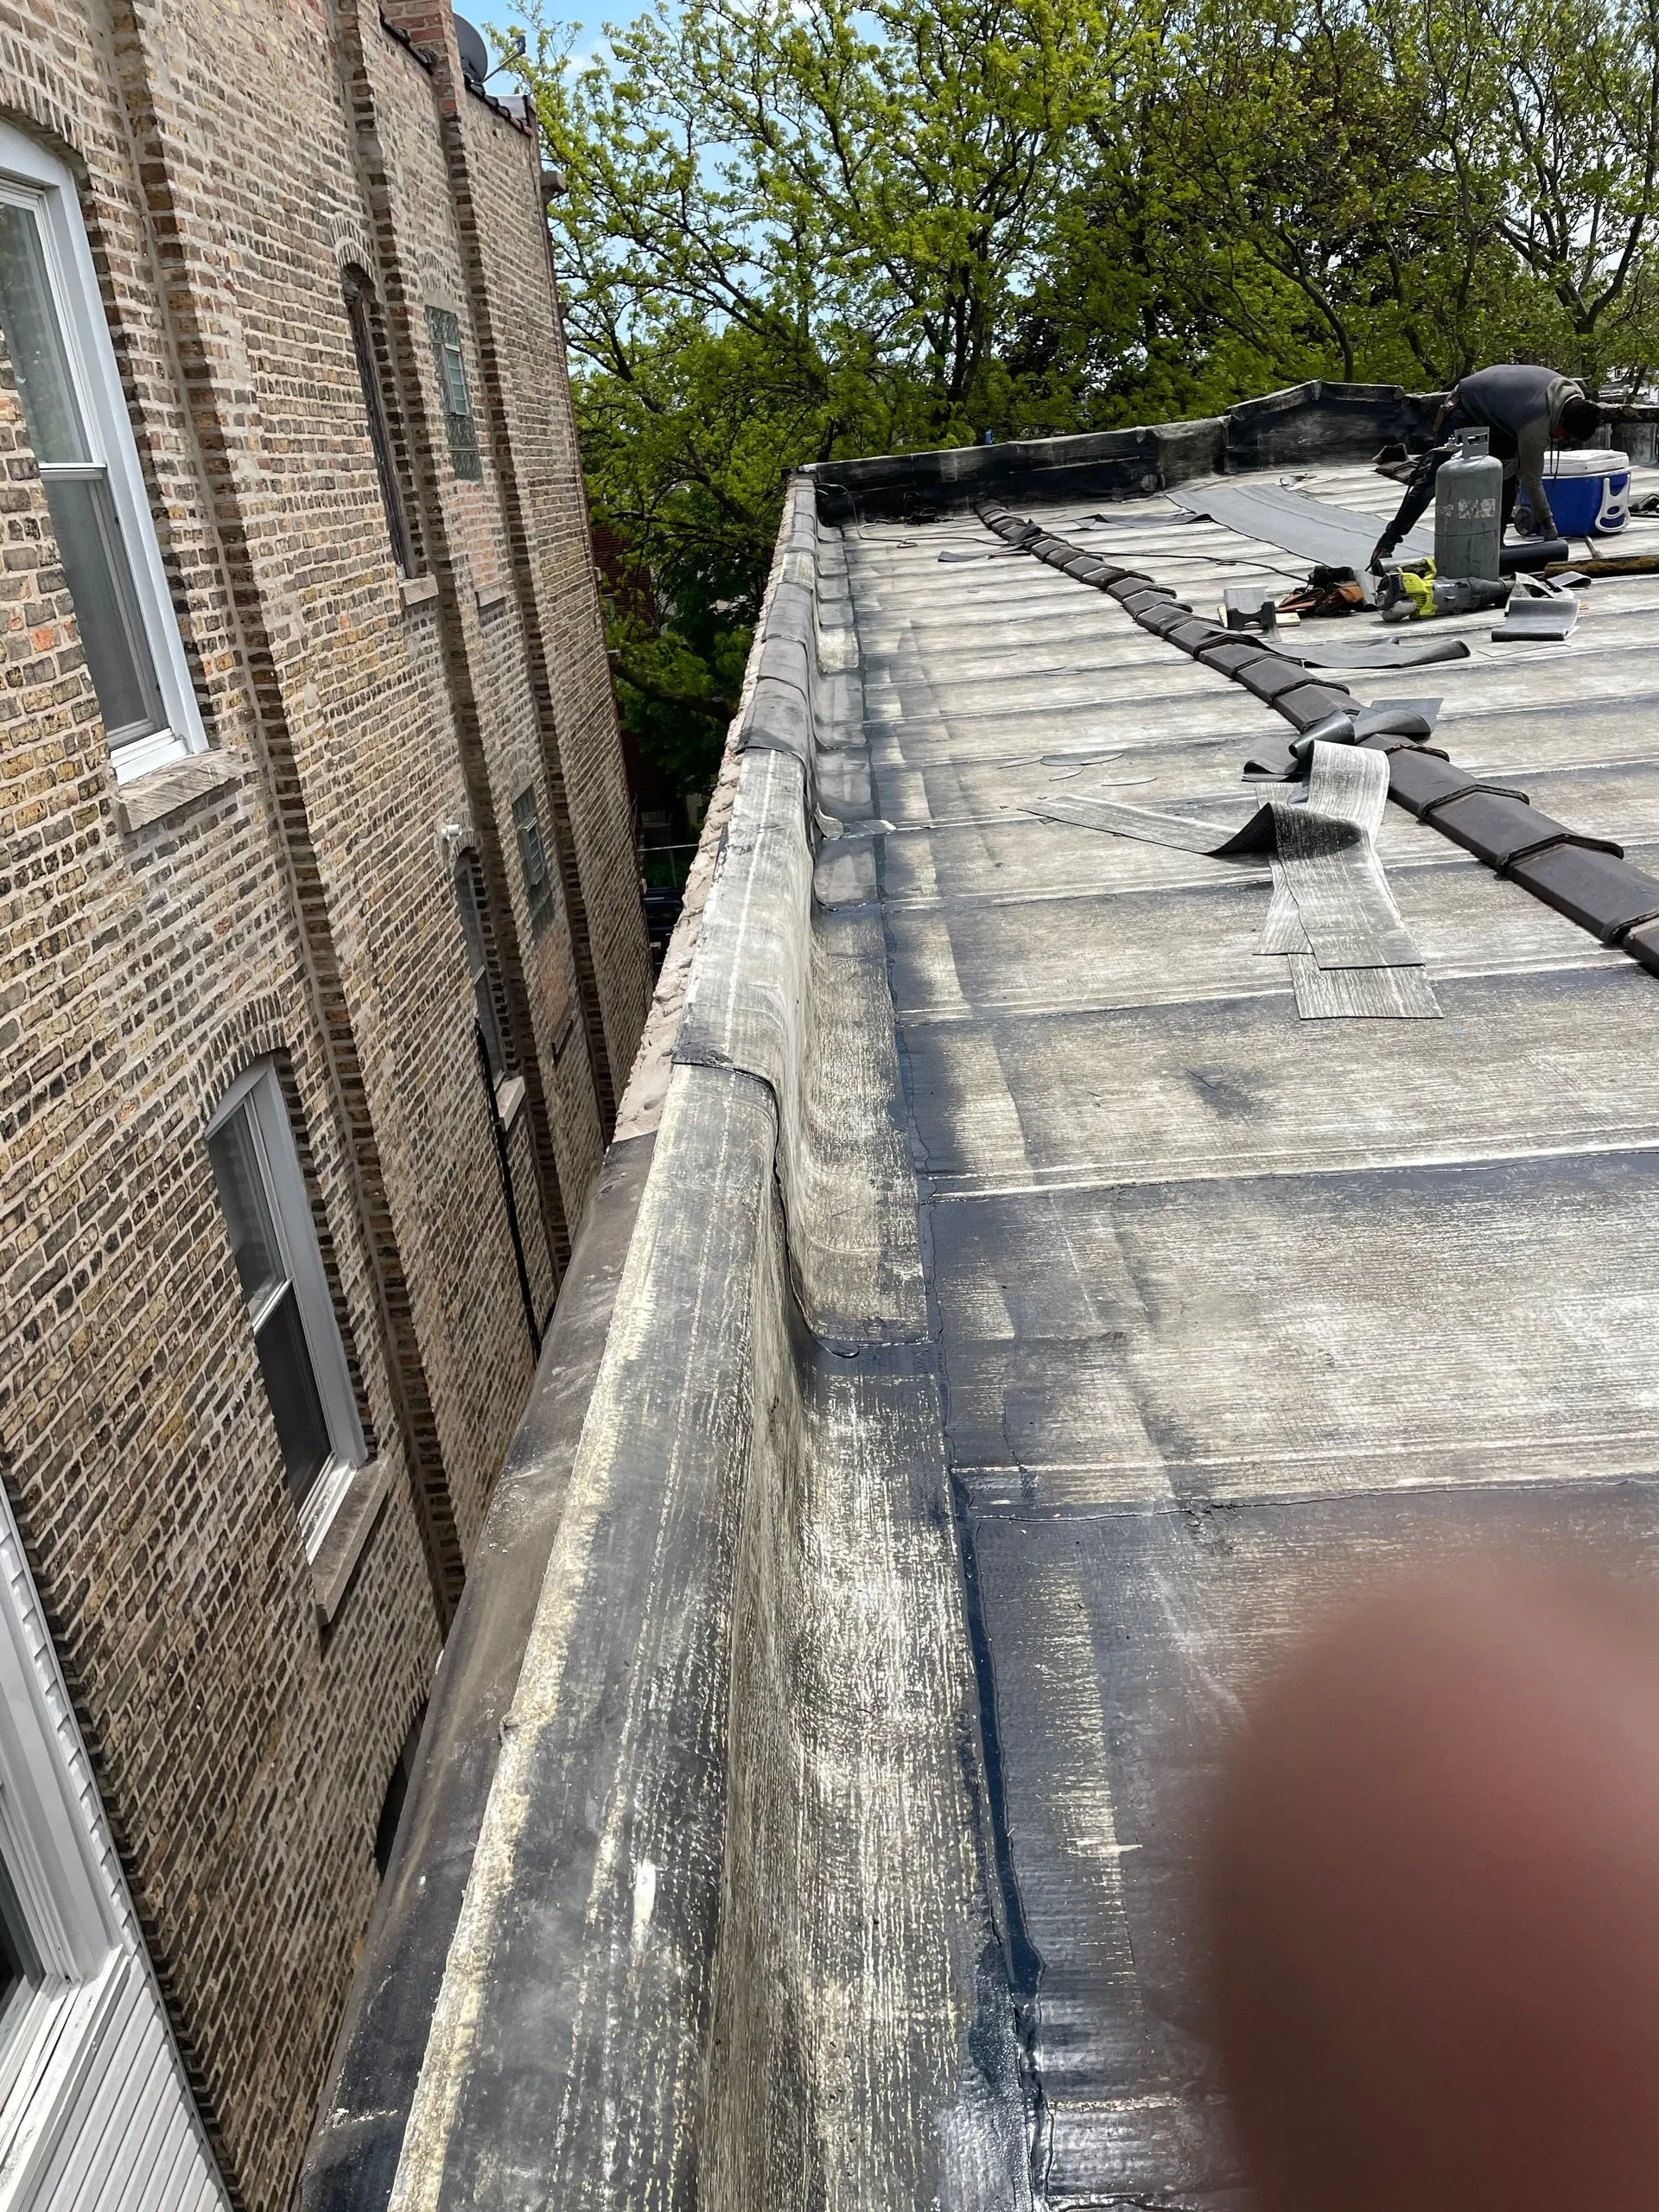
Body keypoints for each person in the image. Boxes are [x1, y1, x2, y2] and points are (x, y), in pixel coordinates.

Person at [1369, 365, 1603, 569]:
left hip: (1505, 414)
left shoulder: (1576, 399)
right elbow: (1532, 480)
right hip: (1467, 405)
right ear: (1561, 420)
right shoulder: (1537, 425)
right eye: (1563, 435)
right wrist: (1550, 531)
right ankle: (1389, 541)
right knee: (1435, 480)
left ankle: (1495, 546)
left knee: (1508, 476)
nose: (1560, 440)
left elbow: (1520, 473)